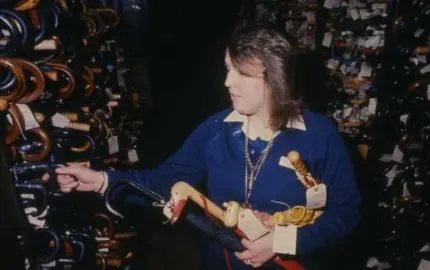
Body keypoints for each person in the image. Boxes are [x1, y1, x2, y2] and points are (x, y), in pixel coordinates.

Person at [54, 24, 361, 269]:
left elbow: (345, 213)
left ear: (275, 77)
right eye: (228, 68)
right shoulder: (217, 129)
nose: (228, 82)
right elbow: (165, 181)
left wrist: (283, 242)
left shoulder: (320, 136)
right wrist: (103, 180)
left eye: (241, 72)